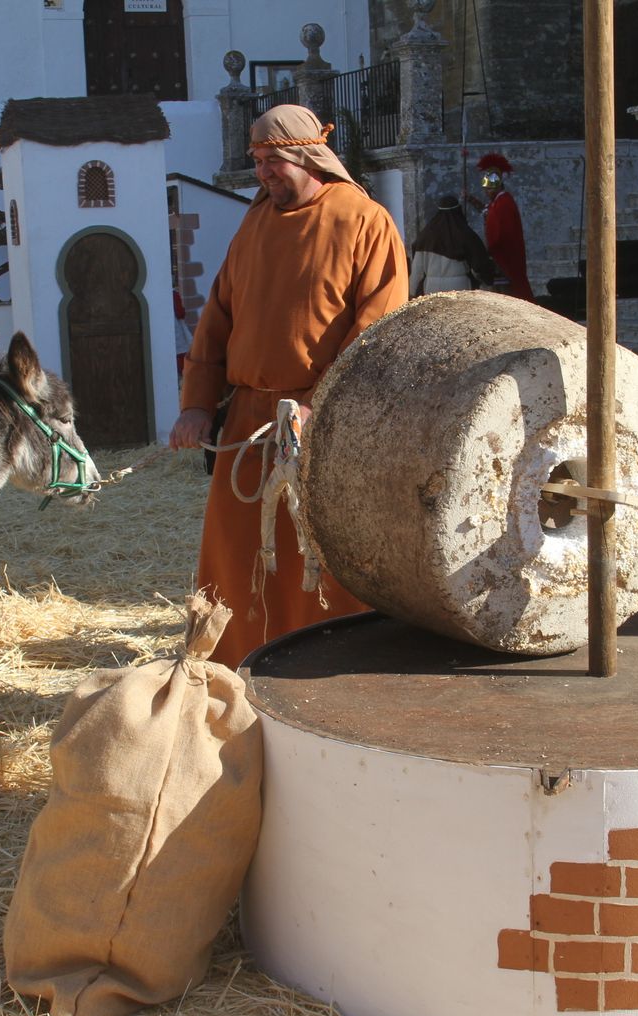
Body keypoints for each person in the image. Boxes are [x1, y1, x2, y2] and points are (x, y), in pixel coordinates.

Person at [168, 103, 407, 668]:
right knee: (234, 559)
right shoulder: (253, 224)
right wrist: (197, 406)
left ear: (308, 155)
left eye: (273, 161)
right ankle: (232, 676)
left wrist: (313, 406)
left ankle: (328, 678)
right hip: (250, 423)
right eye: (256, 161)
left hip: (324, 426)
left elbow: (377, 332)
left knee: (319, 560)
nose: (263, 174)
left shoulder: (364, 221)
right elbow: (216, 322)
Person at [409, 194, 496, 296]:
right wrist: (487, 281)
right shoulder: (466, 235)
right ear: (458, 211)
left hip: (432, 290)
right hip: (460, 290)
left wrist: (412, 292)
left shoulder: (425, 236)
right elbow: (479, 266)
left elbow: (417, 271)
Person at [476, 152, 532, 300]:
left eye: (489, 189)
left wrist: (492, 249)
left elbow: (501, 231)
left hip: (505, 256)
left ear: (498, 187)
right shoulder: (498, 202)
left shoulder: (504, 203)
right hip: (500, 255)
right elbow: (487, 212)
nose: (487, 192)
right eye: (486, 189)